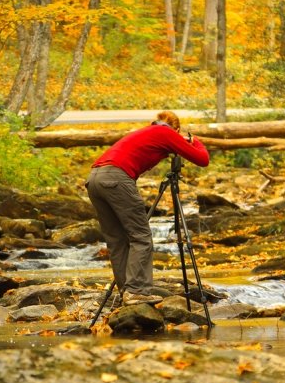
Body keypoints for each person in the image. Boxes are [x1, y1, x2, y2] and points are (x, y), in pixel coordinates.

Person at [85, 111, 210, 306]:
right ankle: (136, 291)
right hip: (117, 178)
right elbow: (202, 159)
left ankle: (126, 291)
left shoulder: (146, 132)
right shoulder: (166, 133)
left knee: (117, 240)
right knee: (140, 236)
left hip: (94, 178)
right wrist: (194, 140)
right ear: (176, 129)